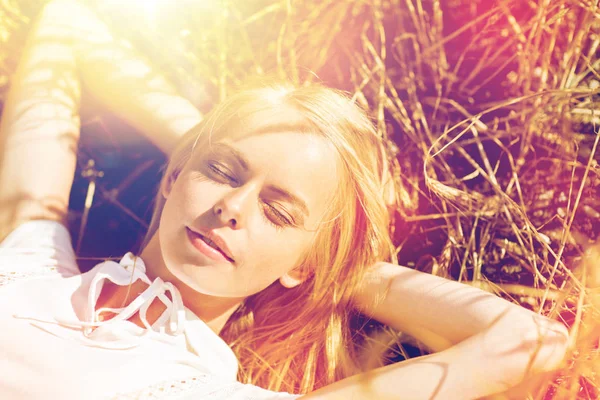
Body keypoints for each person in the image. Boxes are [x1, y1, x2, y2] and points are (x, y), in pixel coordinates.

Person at [0, 1, 569, 399]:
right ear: (174, 176)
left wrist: (335, 263)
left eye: (278, 211)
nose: (233, 208)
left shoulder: (206, 391)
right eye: (222, 172)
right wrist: (217, 145)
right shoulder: (28, 258)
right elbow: (65, 24)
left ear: (305, 261)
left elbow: (531, 340)